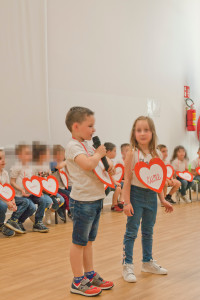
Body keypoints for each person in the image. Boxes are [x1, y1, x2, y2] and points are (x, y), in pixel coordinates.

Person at [65, 106, 114, 296]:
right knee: (79, 242)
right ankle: (77, 281)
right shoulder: (73, 146)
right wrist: (99, 155)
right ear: (76, 126)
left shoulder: (87, 145)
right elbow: (87, 164)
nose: (94, 130)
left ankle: (89, 274)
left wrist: (107, 169)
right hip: (82, 202)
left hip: (95, 199)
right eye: (90, 126)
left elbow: (95, 167)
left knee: (89, 242)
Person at [122, 116, 173, 283]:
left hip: (151, 196)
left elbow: (157, 181)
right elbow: (127, 180)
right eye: (139, 130)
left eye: (146, 130)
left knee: (148, 231)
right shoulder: (131, 153)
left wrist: (163, 199)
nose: (142, 133)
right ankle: (127, 265)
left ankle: (147, 262)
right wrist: (127, 202)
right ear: (134, 133)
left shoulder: (156, 154)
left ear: (152, 132)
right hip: (135, 195)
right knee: (131, 232)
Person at [0, 149, 17, 237]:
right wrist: (7, 202)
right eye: (0, 158)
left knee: (25, 202)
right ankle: (1, 224)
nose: (3, 160)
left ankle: (14, 222)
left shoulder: (5, 173)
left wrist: (12, 200)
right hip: (1, 200)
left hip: (4, 198)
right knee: (3, 205)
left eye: (4, 158)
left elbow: (8, 189)